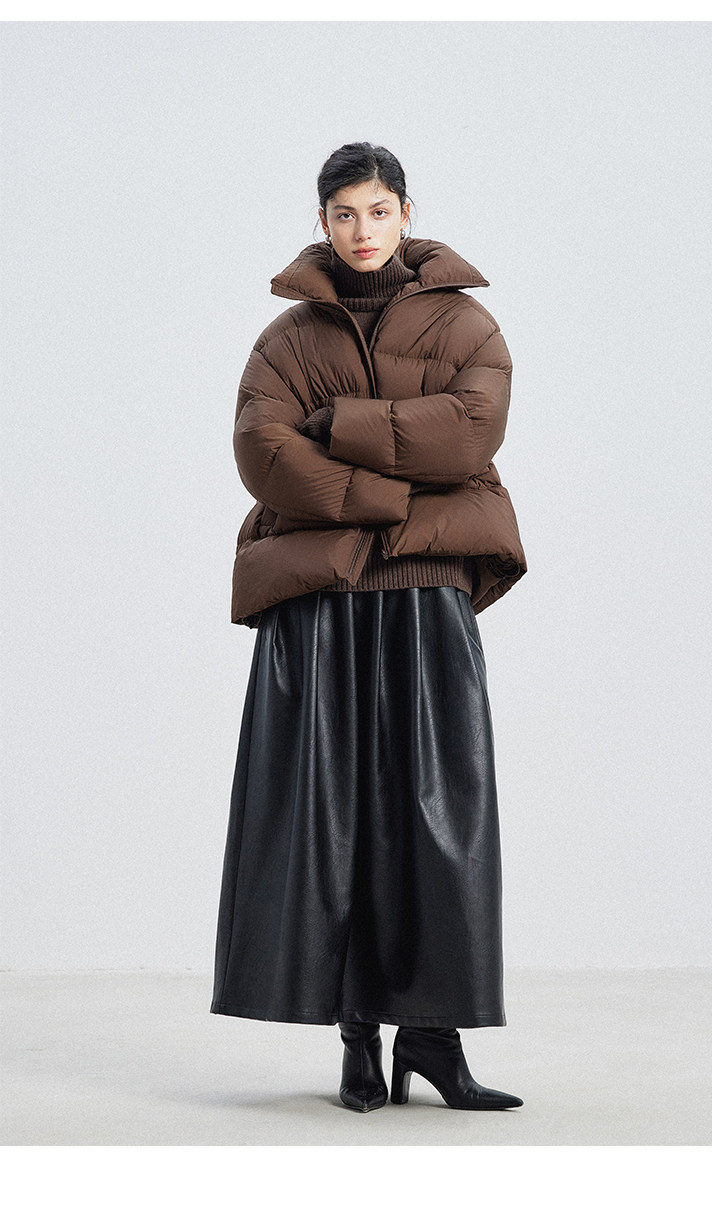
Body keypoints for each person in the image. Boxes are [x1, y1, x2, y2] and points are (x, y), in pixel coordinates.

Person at [210, 141, 528, 1113]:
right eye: (344, 213)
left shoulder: (468, 323)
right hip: (322, 598)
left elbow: (469, 431)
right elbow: (262, 451)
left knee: (438, 818)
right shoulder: (285, 339)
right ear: (322, 221)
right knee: (331, 815)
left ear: (405, 213)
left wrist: (340, 427)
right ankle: (358, 1038)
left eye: (378, 211)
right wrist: (397, 495)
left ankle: (432, 1041)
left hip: (426, 590)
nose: (362, 230)